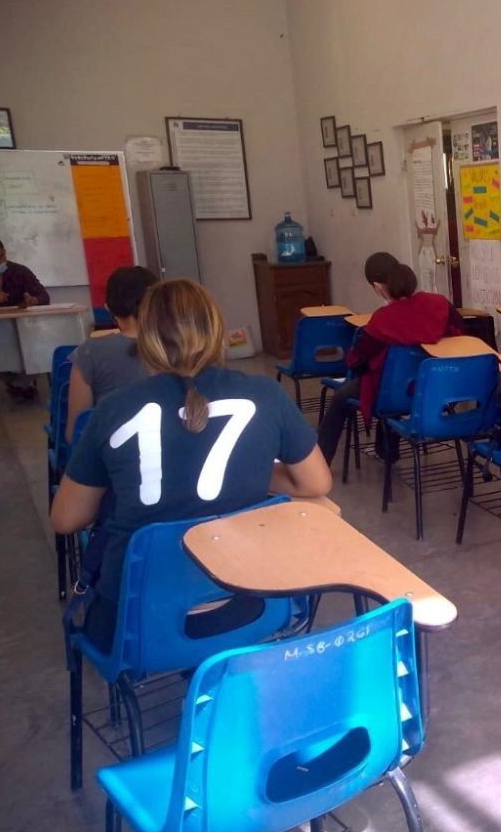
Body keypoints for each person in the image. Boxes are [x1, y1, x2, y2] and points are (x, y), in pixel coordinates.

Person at [50, 278, 332, 653]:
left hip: (138, 625)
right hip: (250, 604)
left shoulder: (113, 409)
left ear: (145, 340)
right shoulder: (266, 393)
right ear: (217, 333)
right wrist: (247, 470)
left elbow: (66, 519)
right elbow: (316, 483)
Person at [315, 252, 463, 465]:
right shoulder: (440, 303)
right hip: (438, 385)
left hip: (393, 391)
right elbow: (459, 332)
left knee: (344, 395)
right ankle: (385, 446)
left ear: (378, 287)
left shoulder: (382, 320)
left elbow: (356, 360)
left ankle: (320, 460)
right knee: (392, 381)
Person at [65, 266, 157, 441]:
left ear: (109, 308)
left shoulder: (89, 352)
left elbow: (75, 433)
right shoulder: (181, 347)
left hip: (111, 451)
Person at [0, 236, 51, 399]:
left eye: (0, 257)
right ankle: (19, 385)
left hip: (22, 330)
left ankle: (18, 384)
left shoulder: (20, 271)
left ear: (5, 253)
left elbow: (44, 296)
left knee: (41, 350)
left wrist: (34, 300)